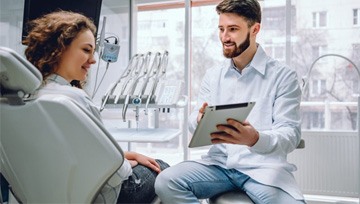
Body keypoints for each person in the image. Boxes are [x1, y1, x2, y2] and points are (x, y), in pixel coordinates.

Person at [155, 0, 305, 203]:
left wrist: (254, 139)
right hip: (220, 166)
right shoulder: (213, 75)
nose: (224, 37)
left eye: (233, 29)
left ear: (255, 29)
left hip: (263, 169)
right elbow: (193, 121)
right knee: (166, 181)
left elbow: (290, 135)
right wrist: (199, 119)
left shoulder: (283, 76)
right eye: (221, 29)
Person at [22, 10, 169, 203]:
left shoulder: (29, 96)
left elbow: (71, 152)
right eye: (86, 50)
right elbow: (116, 174)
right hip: (102, 195)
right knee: (163, 168)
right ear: (59, 48)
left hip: (53, 193)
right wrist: (125, 163)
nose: (93, 60)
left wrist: (126, 155)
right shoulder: (73, 99)